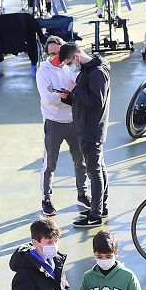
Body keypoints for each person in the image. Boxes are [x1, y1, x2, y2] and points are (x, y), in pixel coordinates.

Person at [35, 36, 89, 218]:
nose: (56, 58)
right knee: (50, 164)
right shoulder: (43, 72)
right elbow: (48, 100)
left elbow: (76, 93)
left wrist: (62, 93)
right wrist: (69, 93)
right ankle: (46, 200)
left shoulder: (70, 68)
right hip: (53, 124)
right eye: (52, 54)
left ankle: (82, 195)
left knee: (80, 162)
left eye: (59, 54)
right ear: (47, 54)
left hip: (74, 122)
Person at [58, 43, 110, 228]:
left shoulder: (96, 72)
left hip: (91, 129)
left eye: (70, 62)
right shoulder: (89, 70)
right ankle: (99, 207)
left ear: (77, 56)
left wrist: (75, 90)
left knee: (94, 171)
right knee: (99, 168)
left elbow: (97, 101)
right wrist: (70, 98)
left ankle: (95, 215)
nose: (71, 66)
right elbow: (85, 100)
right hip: (88, 126)